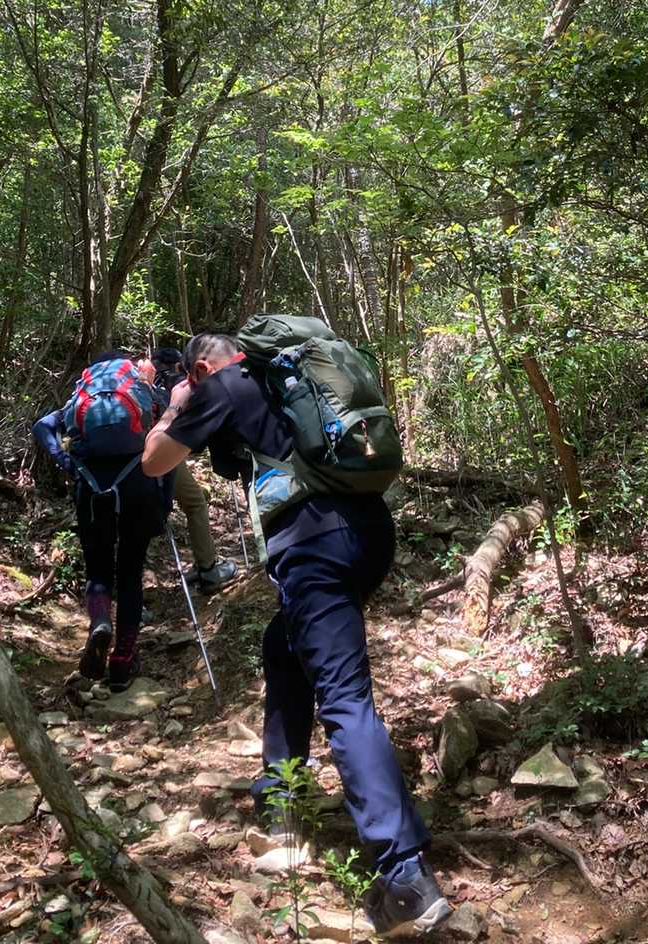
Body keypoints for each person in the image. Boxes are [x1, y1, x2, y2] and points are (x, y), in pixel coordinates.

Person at [140, 332, 452, 937]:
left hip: (313, 547)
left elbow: (154, 460)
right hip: (368, 533)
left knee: (344, 697)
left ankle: (405, 877)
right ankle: (281, 800)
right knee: (282, 647)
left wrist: (177, 404)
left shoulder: (220, 386)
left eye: (193, 375)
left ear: (201, 367)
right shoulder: (284, 381)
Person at [32, 348, 173, 691]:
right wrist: (164, 503)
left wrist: (65, 461)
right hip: (137, 483)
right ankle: (122, 661)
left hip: (91, 486)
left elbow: (42, 426)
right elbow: (171, 438)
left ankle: (99, 623)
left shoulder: (82, 394)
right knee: (130, 572)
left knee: (97, 568)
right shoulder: (144, 390)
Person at [143, 347, 237, 594]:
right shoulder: (175, 385)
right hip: (159, 453)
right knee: (194, 503)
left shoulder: (138, 386)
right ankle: (208, 569)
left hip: (124, 458)